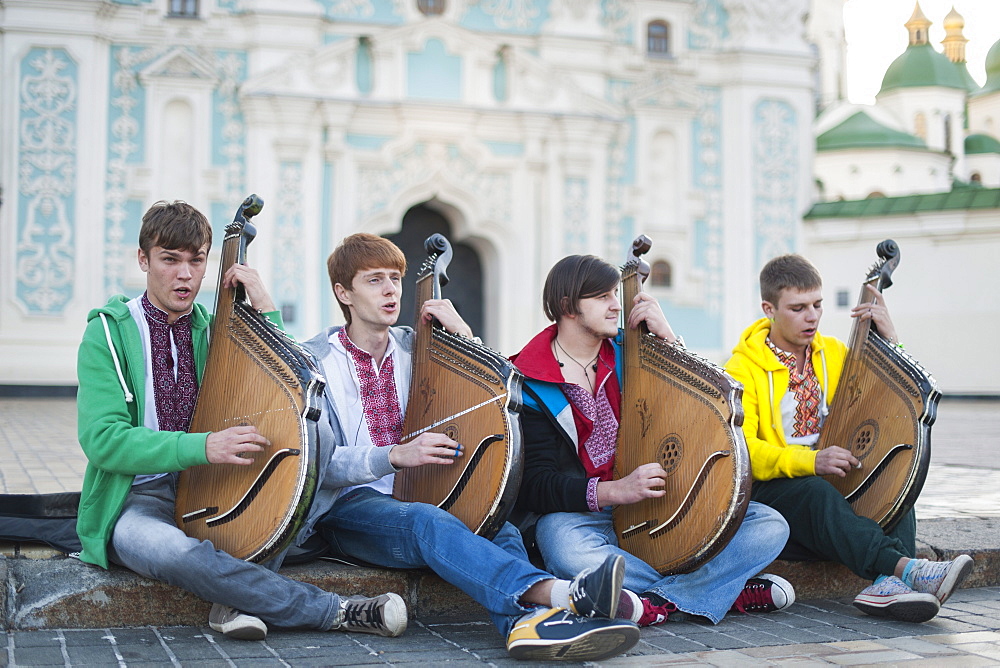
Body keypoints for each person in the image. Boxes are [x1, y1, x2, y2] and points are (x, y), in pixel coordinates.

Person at [299, 233, 640, 662]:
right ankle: (565, 594)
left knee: (502, 527)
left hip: (429, 490)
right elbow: (315, 464)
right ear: (342, 292)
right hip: (351, 508)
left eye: (395, 279)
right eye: (373, 281)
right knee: (425, 522)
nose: (390, 291)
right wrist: (392, 456)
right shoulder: (314, 362)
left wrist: (464, 336)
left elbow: (499, 393)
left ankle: (524, 629)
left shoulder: (419, 347)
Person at [76, 201, 405, 641]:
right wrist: (203, 447)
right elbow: (103, 441)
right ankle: (338, 610)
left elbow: (292, 385)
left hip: (214, 486)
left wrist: (265, 307)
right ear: (143, 260)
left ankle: (230, 602)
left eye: (196, 261)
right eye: (170, 260)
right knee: (172, 552)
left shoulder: (217, 331)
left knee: (314, 438)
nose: (185, 275)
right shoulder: (109, 332)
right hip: (137, 495)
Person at [510, 254, 795, 627]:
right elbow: (534, 485)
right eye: (602, 297)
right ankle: (715, 592)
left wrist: (669, 339)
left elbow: (703, 407)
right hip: (585, 515)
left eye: (616, 293)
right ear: (568, 307)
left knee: (770, 524)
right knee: (562, 547)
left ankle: (656, 603)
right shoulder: (529, 379)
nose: (617, 305)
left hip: (660, 501)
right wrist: (615, 491)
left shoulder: (636, 354)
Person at [724, 253, 974, 623]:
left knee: (894, 478)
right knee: (813, 490)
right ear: (769, 308)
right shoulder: (742, 367)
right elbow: (745, 452)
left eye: (817, 305)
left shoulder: (834, 353)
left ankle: (890, 587)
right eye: (797, 308)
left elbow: (888, 398)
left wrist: (892, 340)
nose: (811, 316)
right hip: (775, 494)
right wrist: (812, 461)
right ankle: (903, 570)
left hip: (826, 491)